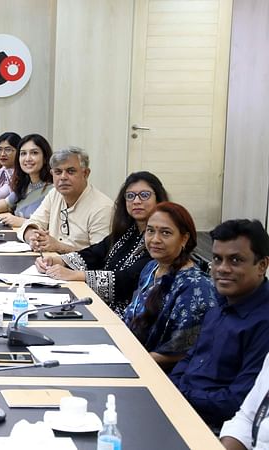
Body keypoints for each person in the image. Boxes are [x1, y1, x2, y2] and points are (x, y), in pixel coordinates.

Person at [170, 219, 269, 430]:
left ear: (262, 265)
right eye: (217, 259)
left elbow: (240, 401)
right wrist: (173, 389)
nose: (222, 268)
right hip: (181, 408)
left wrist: (181, 395)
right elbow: (189, 359)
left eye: (235, 260)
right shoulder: (220, 302)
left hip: (218, 429)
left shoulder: (264, 322)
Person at [35, 171, 170, 317]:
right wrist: (59, 260)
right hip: (104, 307)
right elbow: (96, 253)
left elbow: (128, 279)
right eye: (130, 196)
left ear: (158, 198)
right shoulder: (128, 231)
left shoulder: (159, 239)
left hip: (130, 317)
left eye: (144, 195)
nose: (136, 201)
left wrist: (77, 275)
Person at [122, 202, 217, 370]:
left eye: (165, 233)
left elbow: (182, 350)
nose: (155, 239)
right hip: (131, 354)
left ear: (184, 238)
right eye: (150, 231)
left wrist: (135, 361)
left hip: (161, 372)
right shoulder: (151, 268)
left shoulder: (195, 286)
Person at [17, 146, 114, 254]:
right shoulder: (55, 194)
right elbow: (33, 222)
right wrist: (32, 237)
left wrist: (59, 247)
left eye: (71, 171)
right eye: (58, 172)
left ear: (85, 173)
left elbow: (100, 257)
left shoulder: (102, 208)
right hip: (49, 263)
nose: (63, 177)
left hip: (78, 269)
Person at [0, 133, 53, 227]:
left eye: (34, 153)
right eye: (23, 153)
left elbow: (52, 226)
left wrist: (22, 222)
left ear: (45, 158)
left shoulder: (54, 190)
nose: (27, 158)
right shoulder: (25, 184)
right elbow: (7, 203)